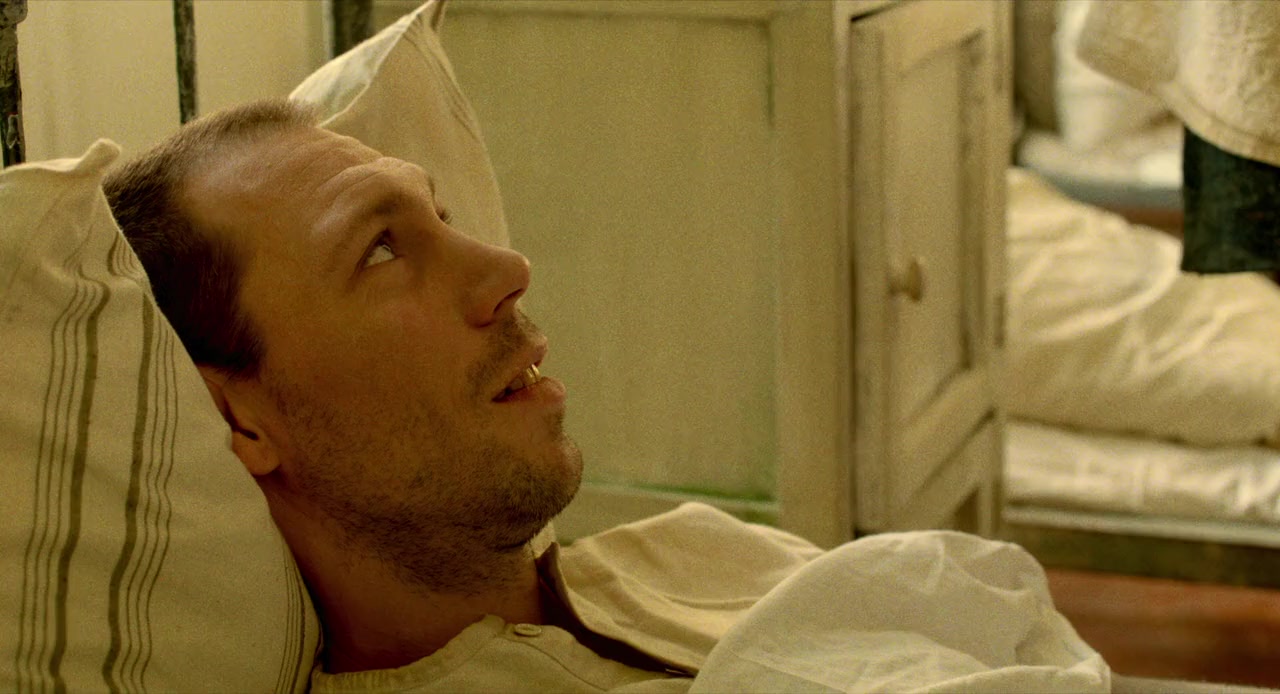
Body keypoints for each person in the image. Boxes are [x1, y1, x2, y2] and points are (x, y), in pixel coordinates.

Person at [104, 99, 1110, 693]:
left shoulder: (693, 550)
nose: (506, 268)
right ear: (239, 419)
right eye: (378, 250)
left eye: (442, 216)